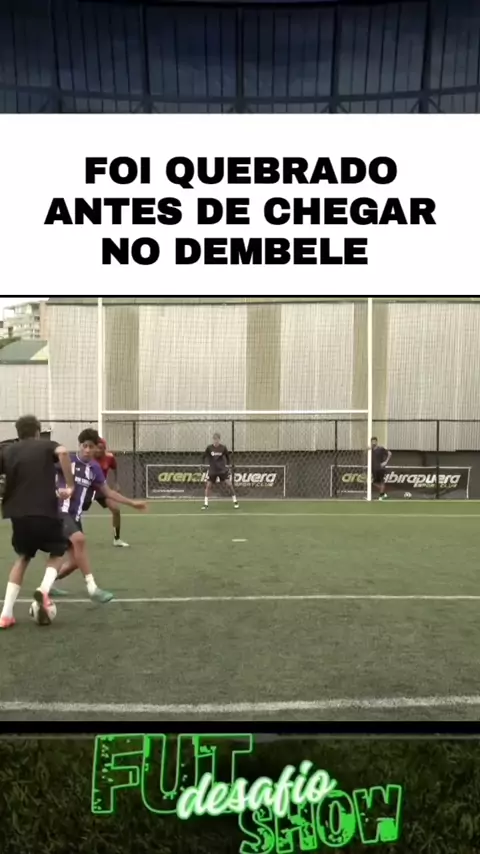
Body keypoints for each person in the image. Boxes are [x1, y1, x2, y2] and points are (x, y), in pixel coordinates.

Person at [46, 428, 147, 602]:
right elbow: (44, 474)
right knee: (79, 540)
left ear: (96, 448)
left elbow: (108, 492)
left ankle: (47, 586)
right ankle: (92, 588)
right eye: (84, 446)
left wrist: (132, 503)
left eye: (91, 447)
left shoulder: (94, 468)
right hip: (60, 513)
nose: (87, 450)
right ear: (79, 446)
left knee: (75, 562)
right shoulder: (68, 461)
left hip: (75, 517)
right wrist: (55, 491)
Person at [0, 415, 75, 630]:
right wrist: (70, 486)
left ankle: (6, 614)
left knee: (23, 557)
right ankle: (43, 590)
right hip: (44, 510)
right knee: (58, 551)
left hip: (17, 513)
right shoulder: (46, 445)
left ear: (18, 433)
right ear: (37, 431)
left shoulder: (8, 451)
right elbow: (63, 453)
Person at [85, 438, 130, 548]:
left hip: (101, 489)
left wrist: (116, 482)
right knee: (75, 512)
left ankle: (117, 539)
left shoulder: (109, 457)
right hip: (86, 488)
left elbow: (114, 468)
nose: (99, 450)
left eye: (102, 448)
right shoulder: (87, 457)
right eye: (97, 447)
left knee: (116, 509)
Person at [202, 433, 239, 511]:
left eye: (217, 439)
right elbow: (204, 456)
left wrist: (228, 466)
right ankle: (205, 504)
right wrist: (203, 465)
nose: (216, 441)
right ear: (213, 439)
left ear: (219, 439)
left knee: (229, 484)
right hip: (213, 471)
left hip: (222, 470)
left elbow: (227, 457)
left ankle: (235, 501)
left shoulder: (223, 448)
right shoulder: (209, 448)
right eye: (214, 439)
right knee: (208, 486)